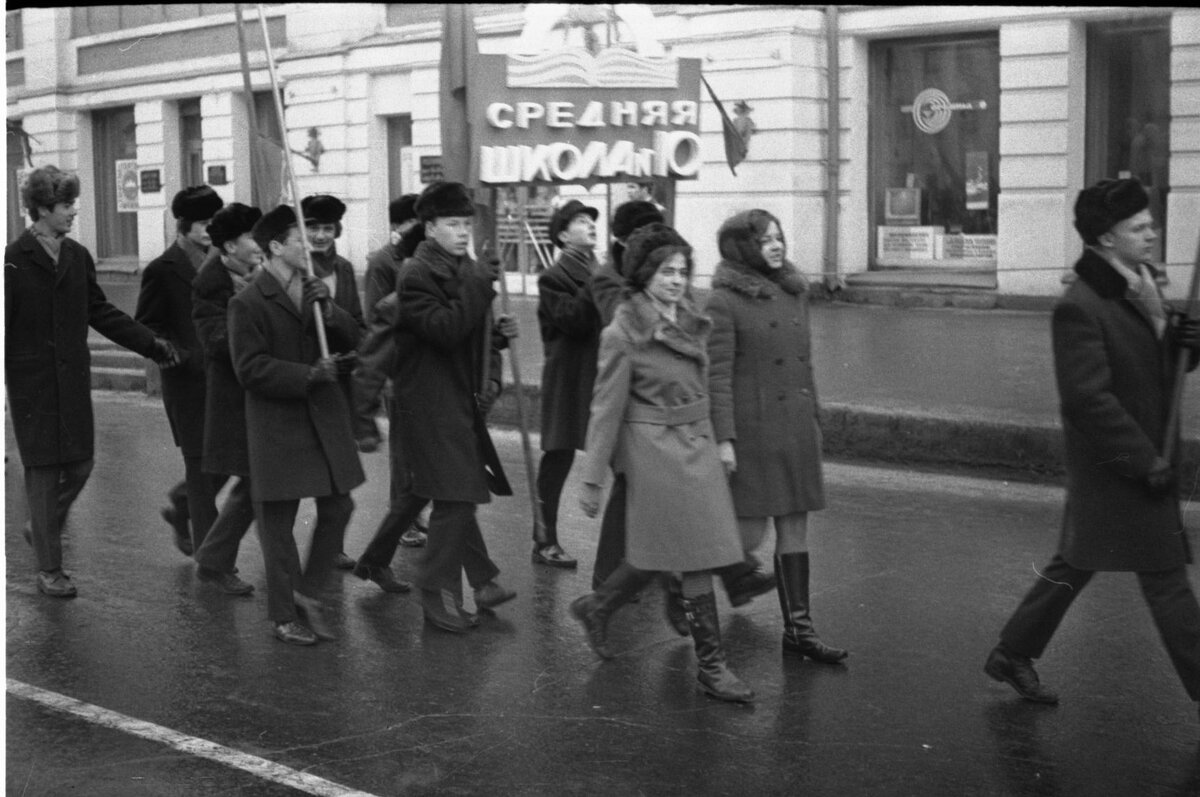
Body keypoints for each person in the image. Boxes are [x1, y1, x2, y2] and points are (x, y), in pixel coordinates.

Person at [984, 178, 1200, 713]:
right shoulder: (1080, 306)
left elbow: (1156, 370)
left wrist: (1183, 345)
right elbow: (1087, 401)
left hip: (1141, 457)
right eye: (1140, 226)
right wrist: (1143, 461)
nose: (1153, 232)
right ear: (1106, 238)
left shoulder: (1141, 283)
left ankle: (1012, 653)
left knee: (1077, 561)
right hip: (1122, 464)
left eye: (1150, 223)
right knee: (1167, 580)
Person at [570, 223, 754, 703]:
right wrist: (592, 480)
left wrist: (724, 441)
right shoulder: (624, 332)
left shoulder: (693, 316)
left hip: (697, 445)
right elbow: (605, 408)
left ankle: (599, 605)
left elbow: (710, 386)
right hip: (655, 452)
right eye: (665, 271)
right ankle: (712, 667)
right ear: (644, 274)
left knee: (670, 551)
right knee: (694, 555)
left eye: (682, 270)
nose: (676, 279)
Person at [5, 165, 178, 597]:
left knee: (82, 465)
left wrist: (151, 345)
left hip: (73, 381)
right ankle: (50, 570)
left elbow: (100, 312)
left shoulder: (78, 256)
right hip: (33, 385)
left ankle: (41, 528)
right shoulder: (11, 261)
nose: (73, 212)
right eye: (66, 206)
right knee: (43, 475)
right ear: (42, 209)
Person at [357, 181, 518, 632]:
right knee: (457, 497)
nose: (464, 232)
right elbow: (444, 329)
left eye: (467, 223)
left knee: (434, 494)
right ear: (429, 228)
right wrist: (479, 284)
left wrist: (496, 334)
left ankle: (379, 563)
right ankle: (435, 593)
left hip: (457, 397)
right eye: (453, 224)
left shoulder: (462, 266)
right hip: (425, 401)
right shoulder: (416, 273)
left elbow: (464, 331)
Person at [706, 209, 847, 664]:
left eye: (778, 236)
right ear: (742, 247)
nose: (776, 244)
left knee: (795, 528)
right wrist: (724, 439)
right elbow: (718, 378)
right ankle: (683, 578)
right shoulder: (723, 302)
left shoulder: (794, 292)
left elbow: (805, 365)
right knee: (745, 538)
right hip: (754, 434)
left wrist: (815, 419)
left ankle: (800, 629)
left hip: (795, 429)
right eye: (765, 239)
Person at [228, 204, 364, 645]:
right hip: (278, 423)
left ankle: (307, 592)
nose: (310, 245)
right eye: (300, 238)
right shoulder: (247, 301)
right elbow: (249, 368)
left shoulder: (314, 288)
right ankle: (284, 615)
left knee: (340, 506)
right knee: (278, 524)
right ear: (275, 247)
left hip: (322, 419)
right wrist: (306, 375)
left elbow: (357, 338)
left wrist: (332, 313)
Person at [136, 185, 226, 556]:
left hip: (225, 383)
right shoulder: (163, 268)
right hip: (188, 386)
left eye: (214, 222)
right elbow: (148, 326)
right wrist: (181, 356)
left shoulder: (223, 262)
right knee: (203, 469)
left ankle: (181, 503)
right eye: (204, 223)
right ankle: (211, 557)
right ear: (184, 225)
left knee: (224, 464)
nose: (210, 230)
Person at [190, 202, 263, 596]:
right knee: (254, 485)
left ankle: (214, 561)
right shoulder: (210, 282)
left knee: (255, 485)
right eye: (253, 237)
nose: (259, 243)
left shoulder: (258, 273)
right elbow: (216, 342)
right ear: (231, 246)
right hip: (234, 400)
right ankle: (214, 563)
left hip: (259, 396)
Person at [354, 193, 431, 550]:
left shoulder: (422, 255)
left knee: (421, 448)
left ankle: (413, 513)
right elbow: (377, 317)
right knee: (403, 450)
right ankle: (403, 519)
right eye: (414, 222)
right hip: (397, 368)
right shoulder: (384, 262)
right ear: (398, 226)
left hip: (422, 367)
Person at [532, 198, 602, 569]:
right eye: (580, 220)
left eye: (591, 219)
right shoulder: (552, 278)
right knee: (557, 458)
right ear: (562, 235)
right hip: (569, 378)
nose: (590, 224)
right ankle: (544, 540)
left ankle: (635, 552)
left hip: (603, 375)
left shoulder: (601, 271)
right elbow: (572, 321)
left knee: (624, 455)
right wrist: (597, 282)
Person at [300, 194, 367, 570]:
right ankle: (220, 555)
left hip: (337, 386)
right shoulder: (294, 266)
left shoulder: (343, 269)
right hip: (303, 383)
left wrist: (332, 310)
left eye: (327, 228)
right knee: (291, 478)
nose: (321, 235)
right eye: (313, 228)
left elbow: (358, 327)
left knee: (339, 472)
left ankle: (333, 546)